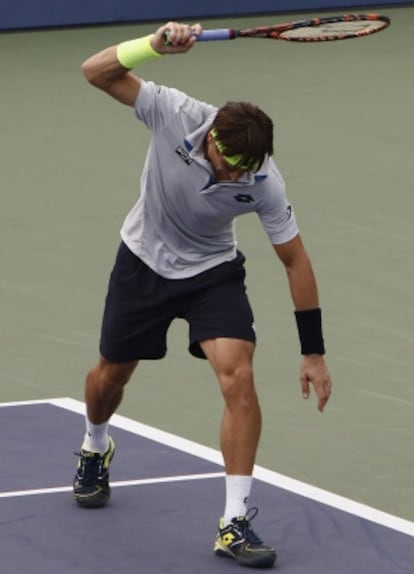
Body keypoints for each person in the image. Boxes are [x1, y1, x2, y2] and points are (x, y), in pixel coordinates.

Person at [72, 21, 332, 569]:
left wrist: (313, 351)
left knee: (238, 373)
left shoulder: (264, 180)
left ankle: (234, 522)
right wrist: (153, 47)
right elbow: (95, 72)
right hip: (142, 260)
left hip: (212, 270)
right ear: (211, 133)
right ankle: (95, 444)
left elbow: (295, 259)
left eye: (244, 167)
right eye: (227, 160)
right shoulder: (173, 111)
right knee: (109, 378)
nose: (231, 172)